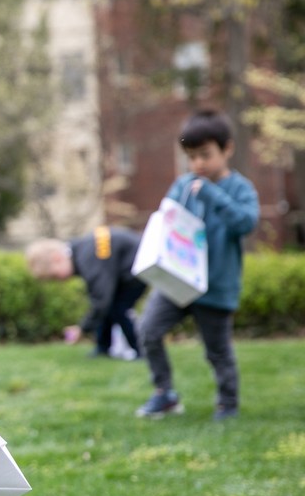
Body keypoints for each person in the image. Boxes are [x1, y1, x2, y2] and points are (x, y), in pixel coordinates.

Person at [135, 109, 259, 421]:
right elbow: (167, 220)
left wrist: (214, 196)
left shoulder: (239, 189)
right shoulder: (183, 185)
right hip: (175, 282)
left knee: (217, 351)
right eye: (192, 157)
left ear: (227, 149)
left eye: (205, 155)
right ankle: (164, 393)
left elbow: (246, 223)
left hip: (215, 287)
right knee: (148, 329)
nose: (198, 164)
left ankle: (227, 403)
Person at [26, 226, 147, 359]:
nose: (58, 281)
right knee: (110, 307)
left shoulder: (88, 260)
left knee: (118, 309)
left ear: (57, 258)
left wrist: (82, 329)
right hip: (130, 266)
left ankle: (140, 350)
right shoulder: (81, 249)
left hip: (136, 267)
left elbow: (101, 301)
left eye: (54, 276)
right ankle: (103, 348)